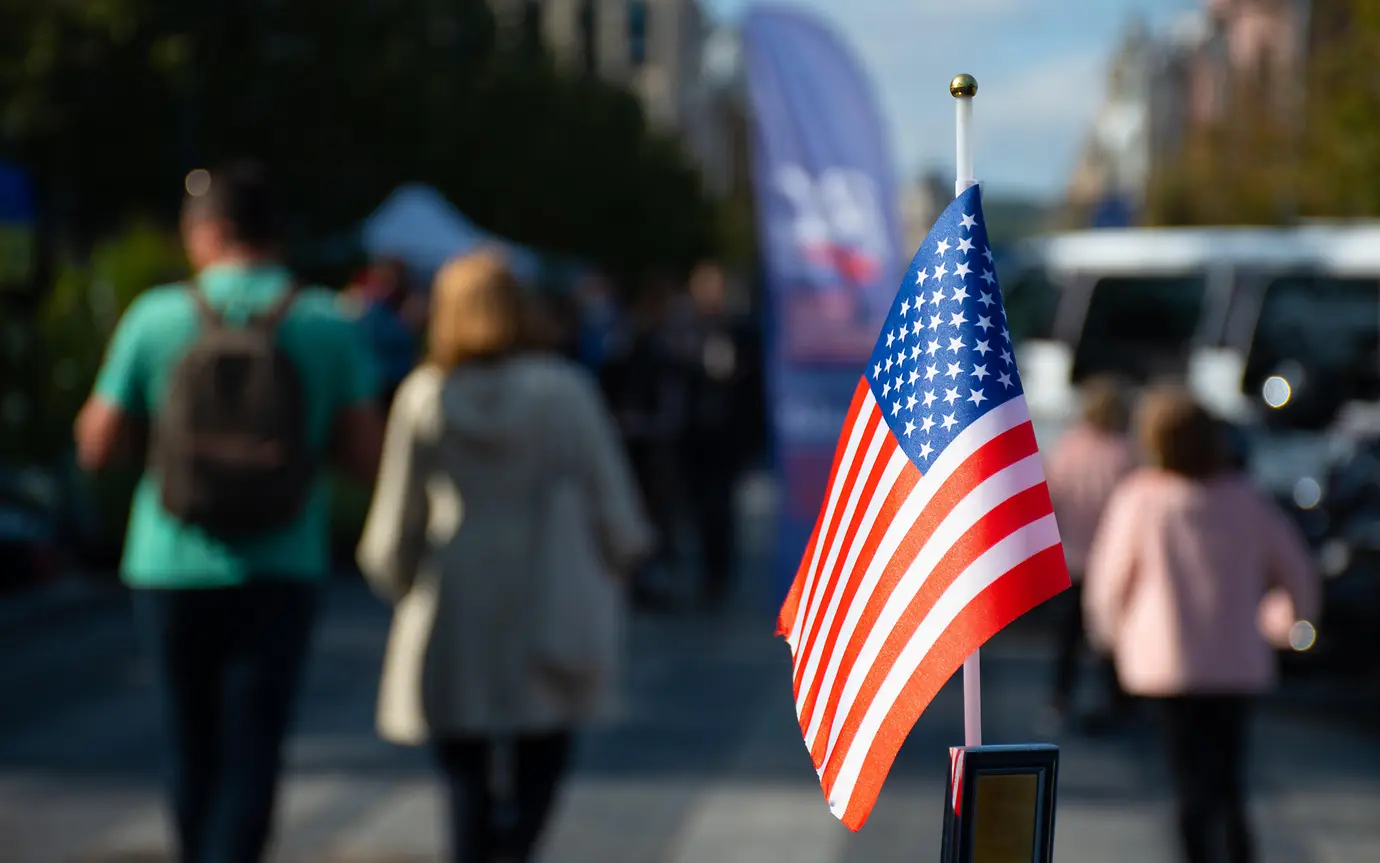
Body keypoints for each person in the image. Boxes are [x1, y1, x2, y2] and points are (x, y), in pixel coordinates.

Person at [74, 161, 383, 863]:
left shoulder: (157, 315)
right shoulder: (324, 320)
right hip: (283, 556)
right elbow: (366, 455)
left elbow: (97, 444)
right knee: (254, 745)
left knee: (187, 739)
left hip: (169, 557)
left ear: (207, 232)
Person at [356, 251, 652, 863]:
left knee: (463, 774)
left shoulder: (425, 396)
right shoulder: (563, 391)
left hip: (454, 594)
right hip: (549, 588)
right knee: (543, 754)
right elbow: (610, 496)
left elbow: (395, 518)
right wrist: (624, 555)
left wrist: (396, 576)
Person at [1083, 386, 1319, 863]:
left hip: (1169, 665)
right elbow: (1296, 570)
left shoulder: (1141, 499)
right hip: (1237, 663)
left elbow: (1109, 582)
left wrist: (1108, 637)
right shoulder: (1247, 500)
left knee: (1188, 785)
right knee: (1229, 782)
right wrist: (1294, 625)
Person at [1042, 375, 1136, 731]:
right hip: (1113, 563)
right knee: (1112, 638)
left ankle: (1060, 698)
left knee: (1067, 638)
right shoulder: (1127, 456)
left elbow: (1048, 501)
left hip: (1070, 558)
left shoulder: (1066, 451)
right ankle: (1117, 703)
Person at [678, 262, 765, 609]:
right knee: (701, 508)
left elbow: (751, 386)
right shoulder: (687, 332)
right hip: (695, 437)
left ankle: (719, 575)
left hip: (727, 439)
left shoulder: (741, 332)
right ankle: (707, 571)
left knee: (721, 507)